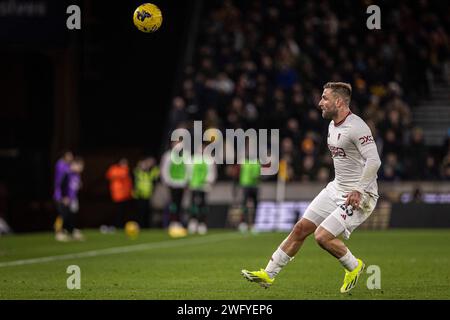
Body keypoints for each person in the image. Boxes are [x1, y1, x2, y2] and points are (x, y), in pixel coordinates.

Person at [242, 82, 382, 293]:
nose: (320, 103)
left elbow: (374, 161)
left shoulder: (357, 126)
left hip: (360, 196)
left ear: (339, 101)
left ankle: (354, 266)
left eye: (324, 98)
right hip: (336, 188)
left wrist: (359, 190)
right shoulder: (332, 125)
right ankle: (268, 274)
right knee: (301, 228)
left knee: (322, 236)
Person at [187, 144, 217, 235]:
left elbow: (212, 173)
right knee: (193, 204)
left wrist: (208, 181)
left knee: (203, 205)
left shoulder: (209, 160)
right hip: (194, 185)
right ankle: (193, 222)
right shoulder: (192, 159)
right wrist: (189, 181)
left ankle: (202, 223)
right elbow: (189, 172)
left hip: (204, 186)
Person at [160, 141, 189, 231]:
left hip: (181, 183)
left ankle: (178, 222)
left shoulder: (185, 155)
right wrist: (166, 181)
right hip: (172, 184)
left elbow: (188, 169)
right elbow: (164, 169)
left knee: (179, 204)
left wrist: (186, 181)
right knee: (173, 204)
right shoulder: (168, 156)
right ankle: (173, 222)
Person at [55, 157, 85, 241]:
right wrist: (64, 197)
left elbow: (75, 186)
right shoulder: (67, 173)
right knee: (63, 216)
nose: (81, 168)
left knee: (71, 216)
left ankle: (70, 231)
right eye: (80, 166)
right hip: (64, 199)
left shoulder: (76, 175)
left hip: (72, 199)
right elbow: (62, 185)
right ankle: (59, 232)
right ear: (74, 165)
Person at [132, 157, 160, 228]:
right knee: (139, 212)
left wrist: (152, 165)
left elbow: (157, 173)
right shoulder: (138, 172)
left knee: (148, 212)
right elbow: (135, 173)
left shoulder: (150, 172)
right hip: (139, 195)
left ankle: (146, 226)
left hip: (148, 195)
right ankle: (139, 226)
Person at [106, 158, 133, 229]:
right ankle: (117, 225)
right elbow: (110, 175)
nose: (125, 165)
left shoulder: (126, 171)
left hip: (125, 195)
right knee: (118, 212)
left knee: (124, 212)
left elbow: (128, 184)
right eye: (124, 163)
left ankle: (122, 225)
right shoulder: (115, 169)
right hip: (118, 195)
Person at [53, 150, 73, 234]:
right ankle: (58, 230)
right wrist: (64, 196)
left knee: (65, 213)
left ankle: (63, 229)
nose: (71, 158)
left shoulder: (66, 165)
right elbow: (61, 183)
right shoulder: (61, 165)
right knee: (61, 214)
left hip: (63, 193)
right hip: (60, 194)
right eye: (69, 156)